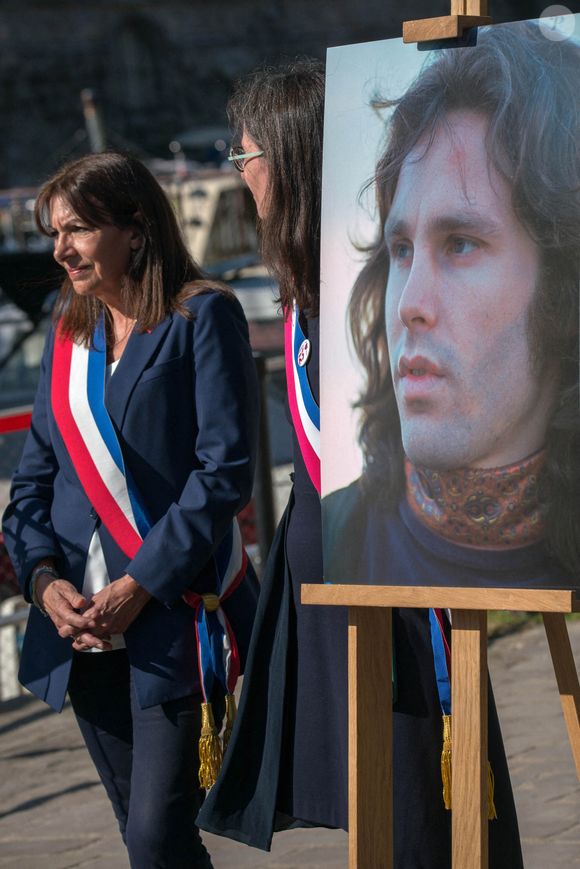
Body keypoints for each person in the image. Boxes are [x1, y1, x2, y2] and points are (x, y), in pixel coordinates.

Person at [323, 19, 580, 867]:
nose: (410, 304)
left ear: (565, 283)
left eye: (460, 243)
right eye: (400, 249)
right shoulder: (342, 533)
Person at [1, 151, 260, 869]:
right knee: (152, 841)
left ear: (136, 228)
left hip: (171, 620)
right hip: (79, 634)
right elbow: (33, 481)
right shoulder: (67, 330)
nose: (60, 249)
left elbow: (223, 471)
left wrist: (140, 583)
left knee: (153, 837)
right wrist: (42, 580)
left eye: (78, 229)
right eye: (55, 232)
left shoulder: (202, 316)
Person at [197, 58, 350, 848]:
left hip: (377, 568)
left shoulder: (353, 276)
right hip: (324, 560)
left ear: (289, 157)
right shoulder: (306, 279)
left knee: (410, 792)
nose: (240, 173)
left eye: (245, 154)